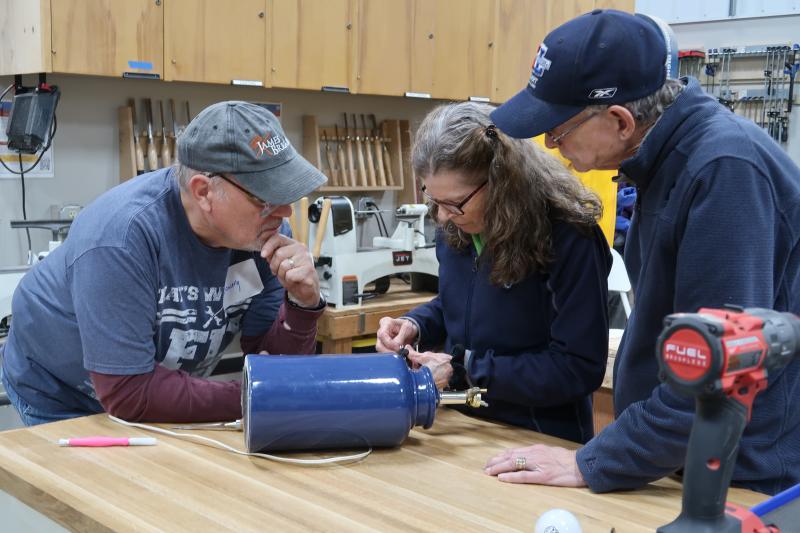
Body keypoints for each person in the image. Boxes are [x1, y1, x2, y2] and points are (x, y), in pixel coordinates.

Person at [484, 9, 800, 495]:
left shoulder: (723, 169)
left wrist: (592, 462)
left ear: (620, 120)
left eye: (559, 128)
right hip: (690, 459)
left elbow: (714, 374)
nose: (550, 142)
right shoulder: (663, 163)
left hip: (745, 478)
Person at [1, 101, 328, 425]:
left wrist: (301, 302)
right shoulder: (123, 236)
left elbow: (276, 371)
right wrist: (251, 396)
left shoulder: (263, 238)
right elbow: (128, 392)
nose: (285, 212)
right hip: (61, 391)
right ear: (203, 192)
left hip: (147, 388)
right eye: (266, 198)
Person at [376, 101, 612, 444]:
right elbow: (459, 304)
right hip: (462, 426)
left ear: (502, 181)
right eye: (434, 200)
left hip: (539, 436)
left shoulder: (568, 236)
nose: (442, 218)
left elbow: (577, 368)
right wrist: (415, 324)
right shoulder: (458, 223)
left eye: (454, 203)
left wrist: (466, 367)